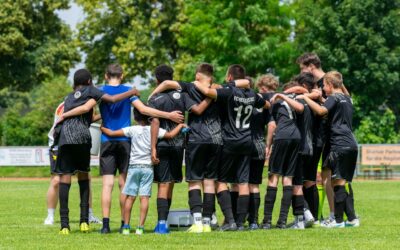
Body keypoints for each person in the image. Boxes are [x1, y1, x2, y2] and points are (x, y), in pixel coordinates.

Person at [98, 64, 184, 234]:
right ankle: (125, 223)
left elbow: (91, 109)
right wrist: (169, 116)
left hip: (107, 139)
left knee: (107, 184)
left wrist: (100, 125)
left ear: (106, 75)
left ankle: (106, 225)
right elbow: (144, 110)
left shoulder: (99, 91)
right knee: (124, 183)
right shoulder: (129, 91)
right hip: (124, 141)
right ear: (122, 75)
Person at [55, 68, 139, 235]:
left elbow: (85, 113)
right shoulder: (92, 89)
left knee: (64, 180)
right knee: (84, 176)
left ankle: (64, 225)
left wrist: (102, 115)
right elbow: (112, 99)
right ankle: (84, 221)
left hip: (65, 137)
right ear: (88, 81)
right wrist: (133, 91)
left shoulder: (69, 97)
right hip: (82, 138)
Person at [194, 64, 270, 231]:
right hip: (247, 142)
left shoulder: (228, 91)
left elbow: (208, 93)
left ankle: (230, 221)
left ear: (229, 77)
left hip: (229, 141)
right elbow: (267, 105)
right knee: (243, 182)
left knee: (221, 182)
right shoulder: (252, 94)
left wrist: (196, 83)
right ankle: (241, 222)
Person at [100, 108, 188, 235]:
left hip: (134, 167)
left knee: (130, 197)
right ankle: (140, 228)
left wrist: (102, 128)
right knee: (144, 198)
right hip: (147, 168)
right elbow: (170, 135)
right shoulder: (154, 129)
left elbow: (112, 134)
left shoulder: (132, 129)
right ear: (149, 117)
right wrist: (180, 125)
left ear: (135, 118)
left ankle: (126, 226)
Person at [149, 64, 208, 234]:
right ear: (172, 76)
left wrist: (152, 147)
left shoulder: (154, 98)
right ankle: (164, 221)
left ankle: (161, 224)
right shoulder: (182, 95)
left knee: (163, 184)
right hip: (178, 146)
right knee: (171, 184)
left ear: (157, 79)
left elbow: (154, 122)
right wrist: (211, 97)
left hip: (162, 144)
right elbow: (197, 109)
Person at [297, 71, 359, 228]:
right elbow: (330, 104)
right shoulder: (347, 98)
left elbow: (322, 111)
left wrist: (305, 98)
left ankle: (337, 221)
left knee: (337, 182)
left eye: (324, 85)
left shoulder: (334, 98)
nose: (323, 88)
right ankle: (351, 218)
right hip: (351, 143)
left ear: (331, 85)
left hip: (339, 143)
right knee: (342, 181)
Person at [44, 102, 101, 225]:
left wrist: (103, 115)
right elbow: (65, 121)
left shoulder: (88, 104)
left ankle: (89, 214)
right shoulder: (66, 105)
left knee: (85, 177)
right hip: (59, 143)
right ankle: (50, 216)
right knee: (56, 181)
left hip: (75, 142)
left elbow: (88, 120)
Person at [261, 82, 304, 229]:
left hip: (282, 137)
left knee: (274, 177)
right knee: (288, 178)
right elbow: (300, 107)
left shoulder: (274, 101)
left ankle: (267, 221)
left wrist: (268, 145)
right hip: (296, 137)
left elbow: (272, 126)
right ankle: (282, 221)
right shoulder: (297, 98)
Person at [246, 74, 277, 230]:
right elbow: (272, 126)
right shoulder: (267, 102)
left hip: (242, 143)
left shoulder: (244, 99)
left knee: (239, 184)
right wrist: (267, 144)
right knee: (255, 184)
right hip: (258, 144)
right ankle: (253, 221)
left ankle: (235, 219)